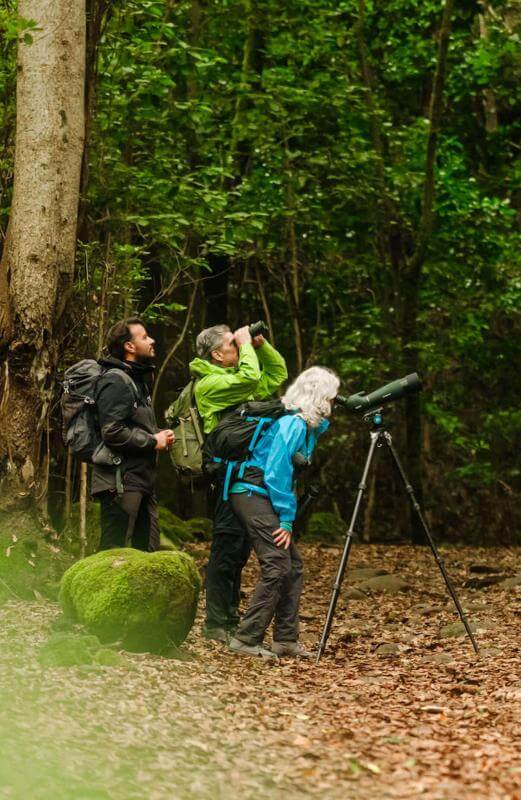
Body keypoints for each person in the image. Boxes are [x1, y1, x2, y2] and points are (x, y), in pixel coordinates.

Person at [226, 366, 340, 660]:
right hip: (251, 493)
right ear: (320, 395)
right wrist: (287, 518)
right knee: (277, 563)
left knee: (293, 565)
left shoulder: (306, 426)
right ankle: (246, 638)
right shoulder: (293, 424)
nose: (335, 401)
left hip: (258, 494)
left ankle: (285, 640)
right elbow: (276, 473)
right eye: (332, 395)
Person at [189, 324, 287, 642]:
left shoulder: (234, 382)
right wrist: (246, 346)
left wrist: (259, 346)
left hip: (247, 479)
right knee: (227, 549)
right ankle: (216, 622)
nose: (238, 345)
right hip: (228, 479)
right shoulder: (210, 384)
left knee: (239, 551)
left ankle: (228, 618)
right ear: (218, 355)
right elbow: (250, 378)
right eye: (233, 344)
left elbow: (276, 373)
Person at [92, 317, 174, 552]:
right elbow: (112, 431)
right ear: (129, 346)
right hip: (120, 481)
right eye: (145, 337)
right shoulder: (115, 381)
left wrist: (159, 435)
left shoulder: (137, 381)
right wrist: (152, 441)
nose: (152, 340)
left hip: (141, 479)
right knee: (113, 553)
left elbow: (131, 426)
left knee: (147, 553)